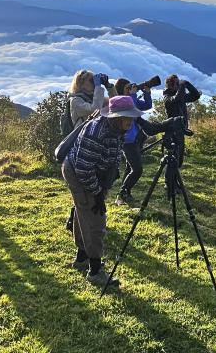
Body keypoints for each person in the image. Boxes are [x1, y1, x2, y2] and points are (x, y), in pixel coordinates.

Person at [62, 96, 141, 286]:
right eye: (126, 118)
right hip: (78, 173)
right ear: (114, 117)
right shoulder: (96, 131)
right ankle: (95, 271)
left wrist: (107, 180)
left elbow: (113, 154)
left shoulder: (117, 129)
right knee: (96, 219)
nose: (129, 122)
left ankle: (82, 259)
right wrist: (97, 193)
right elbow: (83, 169)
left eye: (131, 118)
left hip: (92, 173)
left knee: (84, 213)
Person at [112, 78, 153, 206]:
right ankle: (121, 194)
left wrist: (147, 93)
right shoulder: (119, 101)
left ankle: (125, 194)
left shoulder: (131, 99)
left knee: (130, 168)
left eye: (131, 87)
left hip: (135, 139)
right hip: (127, 141)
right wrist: (134, 94)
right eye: (127, 88)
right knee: (137, 169)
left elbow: (147, 106)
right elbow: (130, 109)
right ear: (120, 90)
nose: (130, 90)